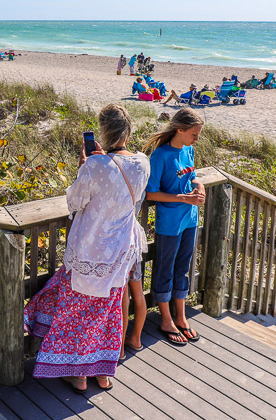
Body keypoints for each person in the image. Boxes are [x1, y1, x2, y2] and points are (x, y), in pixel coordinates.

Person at [25, 104, 150, 394]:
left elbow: (75, 202)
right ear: (128, 131)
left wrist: (84, 166)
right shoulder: (143, 162)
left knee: (78, 313)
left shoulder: (95, 165)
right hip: (121, 251)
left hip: (90, 250)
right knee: (107, 314)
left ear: (102, 132)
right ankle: (103, 374)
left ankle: (79, 375)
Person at [143, 108, 205, 346]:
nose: (196, 139)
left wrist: (199, 187)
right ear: (180, 130)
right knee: (165, 270)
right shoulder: (161, 156)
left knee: (183, 268)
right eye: (194, 134)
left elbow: (193, 176)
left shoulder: (188, 150)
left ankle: (181, 316)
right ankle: (166, 319)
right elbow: (152, 193)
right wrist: (183, 198)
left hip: (189, 219)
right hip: (169, 223)